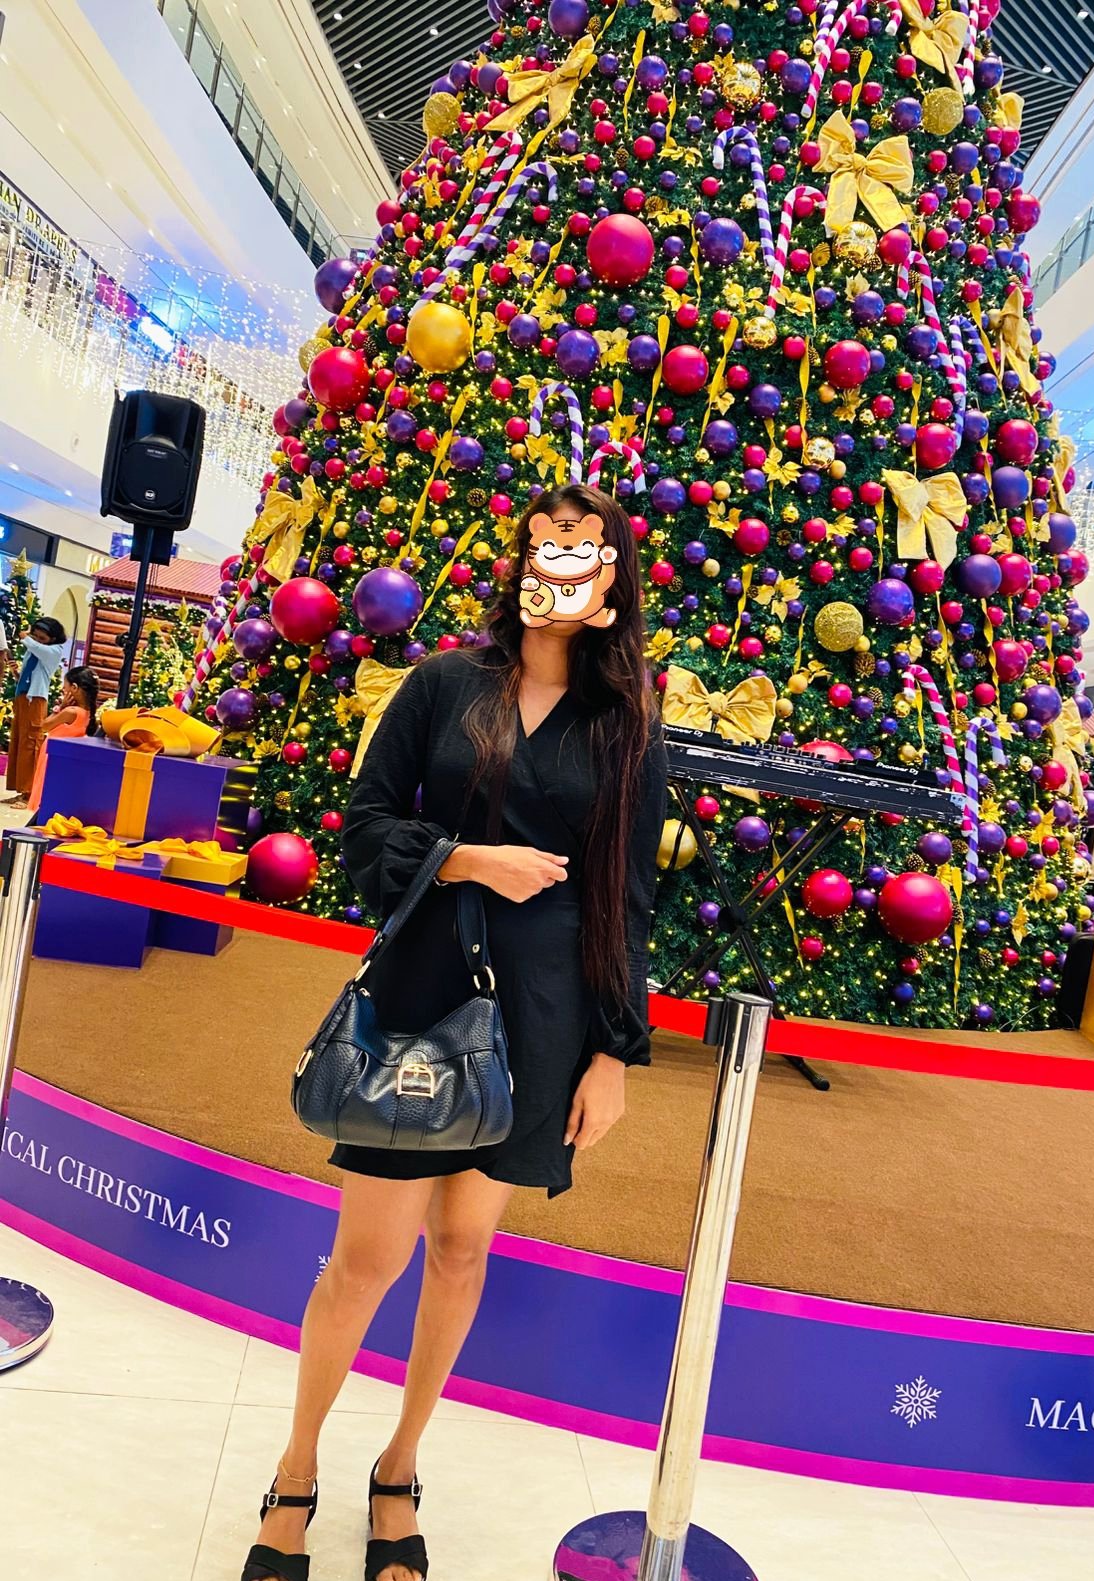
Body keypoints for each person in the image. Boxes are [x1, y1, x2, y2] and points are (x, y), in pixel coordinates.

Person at [240, 483, 667, 1581]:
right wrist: (468, 861)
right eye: (543, 546)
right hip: (426, 989)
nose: (557, 565)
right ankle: (295, 1468)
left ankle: (400, 1468)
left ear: (611, 578)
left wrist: (614, 1051)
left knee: (464, 1248)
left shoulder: (624, 725)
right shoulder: (443, 683)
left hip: (545, 1012)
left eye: (581, 551)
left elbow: (627, 898)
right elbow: (364, 824)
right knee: (366, 1258)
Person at [3, 617, 67, 803]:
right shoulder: (35, 649)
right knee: (18, 742)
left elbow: (36, 647)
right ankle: (20, 790)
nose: (38, 640)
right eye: (35, 636)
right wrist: (16, 673)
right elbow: (30, 676)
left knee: (31, 743)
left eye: (42, 638)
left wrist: (26, 637)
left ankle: (30, 793)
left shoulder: (54, 651)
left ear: (53, 639)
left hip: (36, 700)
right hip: (23, 697)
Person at [24, 665, 98, 815]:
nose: (63, 690)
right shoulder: (87, 712)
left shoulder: (70, 711)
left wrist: (60, 707)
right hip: (63, 757)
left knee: (44, 790)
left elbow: (44, 726)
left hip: (52, 756)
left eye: (65, 687)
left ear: (74, 688)